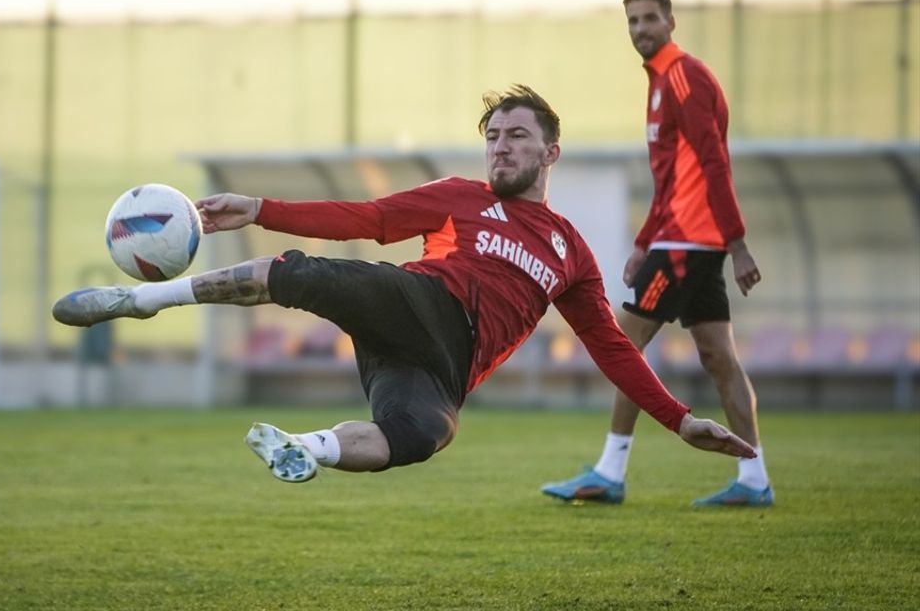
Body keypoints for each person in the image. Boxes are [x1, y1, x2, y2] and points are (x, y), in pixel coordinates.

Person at [53, 84, 755, 484]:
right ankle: (140, 301)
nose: (501, 146)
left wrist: (679, 418)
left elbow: (611, 347)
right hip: (424, 299)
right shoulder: (459, 196)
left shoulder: (569, 248)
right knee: (302, 275)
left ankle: (308, 447)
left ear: (550, 151)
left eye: (516, 135)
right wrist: (263, 209)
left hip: (447, 363)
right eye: (493, 136)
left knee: (418, 436)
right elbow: (367, 215)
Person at [541, 0, 772, 507]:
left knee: (624, 348)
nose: (640, 29)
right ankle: (755, 480)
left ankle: (609, 471)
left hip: (689, 244)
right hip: (679, 241)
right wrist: (644, 241)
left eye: (649, 18)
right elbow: (671, 178)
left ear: (671, 21)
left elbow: (713, 161)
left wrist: (737, 244)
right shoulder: (661, 83)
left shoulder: (685, 77)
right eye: (632, 21)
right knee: (719, 358)